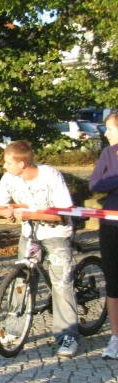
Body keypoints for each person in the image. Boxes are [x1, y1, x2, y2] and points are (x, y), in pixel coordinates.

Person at [0, 140, 80, 357]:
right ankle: (14, 329)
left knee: (61, 284)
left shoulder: (50, 175)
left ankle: (67, 335)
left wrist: (28, 214)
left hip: (56, 234)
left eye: (8, 162)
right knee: (21, 281)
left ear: (21, 164)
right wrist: (5, 211)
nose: (4, 166)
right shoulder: (9, 178)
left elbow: (62, 213)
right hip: (29, 235)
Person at [89, 112, 118, 359]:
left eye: (109, 128)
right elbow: (95, 184)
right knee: (113, 281)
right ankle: (116, 337)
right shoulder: (108, 154)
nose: (105, 133)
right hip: (110, 223)